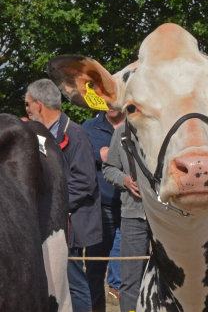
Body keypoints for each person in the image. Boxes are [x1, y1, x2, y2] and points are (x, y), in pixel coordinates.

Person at [25, 79, 102, 312]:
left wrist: (53, 204)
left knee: (74, 283)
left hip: (71, 224)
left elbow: (85, 182)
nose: (26, 110)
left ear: (39, 105)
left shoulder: (76, 135)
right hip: (52, 223)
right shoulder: (41, 135)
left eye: (28, 104)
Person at [103, 123, 150, 312]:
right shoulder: (121, 132)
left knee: (169, 277)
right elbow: (109, 168)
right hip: (133, 215)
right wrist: (124, 180)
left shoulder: (167, 124)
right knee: (130, 281)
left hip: (167, 217)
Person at [82, 109, 125, 311]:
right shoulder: (89, 127)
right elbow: (78, 158)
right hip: (101, 206)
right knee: (95, 268)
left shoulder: (138, 124)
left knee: (133, 269)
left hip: (133, 207)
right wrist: (97, 155)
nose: (112, 103)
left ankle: (128, 305)